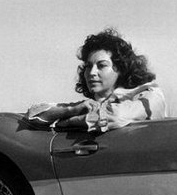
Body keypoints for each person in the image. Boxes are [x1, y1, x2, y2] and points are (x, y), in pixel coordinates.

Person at [27, 28, 167, 132]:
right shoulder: (87, 105)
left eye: (101, 66)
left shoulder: (150, 94)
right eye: (88, 66)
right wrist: (71, 109)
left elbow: (115, 116)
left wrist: (65, 122)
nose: (92, 73)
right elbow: (34, 114)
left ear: (121, 69)